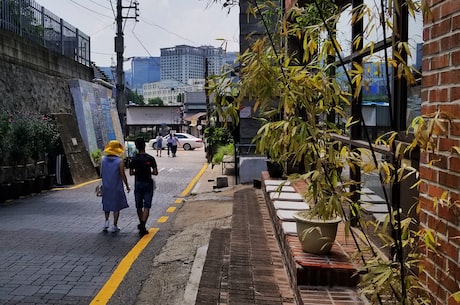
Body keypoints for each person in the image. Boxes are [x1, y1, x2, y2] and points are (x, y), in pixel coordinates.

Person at [129, 137, 158, 236]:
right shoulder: (150, 158)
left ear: (136, 146)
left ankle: (141, 224)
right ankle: (143, 225)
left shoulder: (133, 159)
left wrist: (138, 172)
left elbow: (131, 173)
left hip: (138, 183)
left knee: (138, 205)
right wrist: (148, 171)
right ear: (144, 146)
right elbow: (155, 172)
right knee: (147, 205)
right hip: (148, 182)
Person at [101, 140, 130, 233]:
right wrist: (127, 185)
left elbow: (101, 173)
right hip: (116, 186)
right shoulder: (119, 161)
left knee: (106, 204)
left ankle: (106, 222)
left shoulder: (103, 159)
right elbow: (122, 174)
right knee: (116, 206)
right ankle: (114, 225)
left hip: (106, 185)